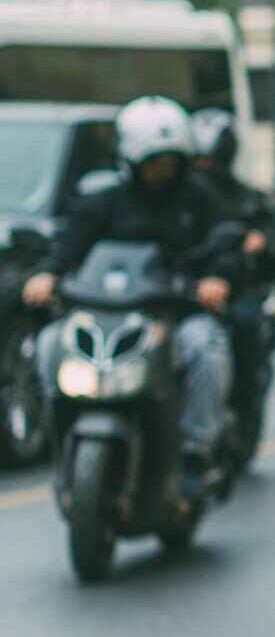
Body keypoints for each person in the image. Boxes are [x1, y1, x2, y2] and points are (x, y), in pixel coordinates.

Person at [23, 96, 239, 497]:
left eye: (171, 160)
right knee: (50, 343)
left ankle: (196, 451)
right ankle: (61, 436)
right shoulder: (104, 201)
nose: (163, 169)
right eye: (154, 161)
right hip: (105, 315)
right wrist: (47, 274)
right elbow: (69, 246)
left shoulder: (200, 199)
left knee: (207, 347)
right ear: (132, 160)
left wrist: (218, 278)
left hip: (173, 316)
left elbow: (227, 244)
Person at [190, 108, 275, 410]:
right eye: (198, 160)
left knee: (244, 323)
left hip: (235, 286)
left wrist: (260, 243)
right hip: (185, 283)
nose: (203, 167)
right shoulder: (179, 199)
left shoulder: (248, 199)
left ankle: (242, 399)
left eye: (210, 160)